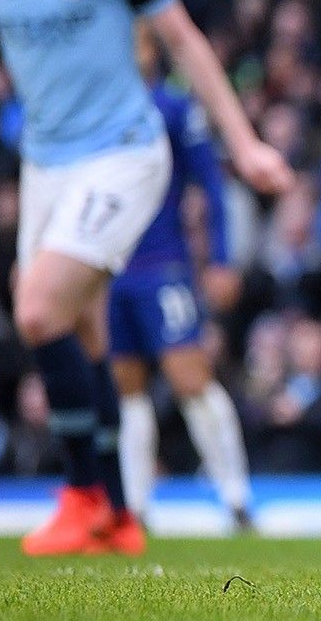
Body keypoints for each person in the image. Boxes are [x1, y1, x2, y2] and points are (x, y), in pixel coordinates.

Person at [0, 0, 292, 556]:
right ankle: (123, 515)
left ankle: (82, 493)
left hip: (125, 154)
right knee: (88, 334)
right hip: (45, 162)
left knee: (38, 311)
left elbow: (186, 43)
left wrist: (246, 142)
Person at [109, 28, 255, 531]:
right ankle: (134, 507)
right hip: (106, 267)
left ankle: (236, 498)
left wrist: (219, 259)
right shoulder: (95, 112)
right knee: (124, 388)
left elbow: (211, 187)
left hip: (161, 265)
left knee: (189, 378)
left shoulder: (173, 109)